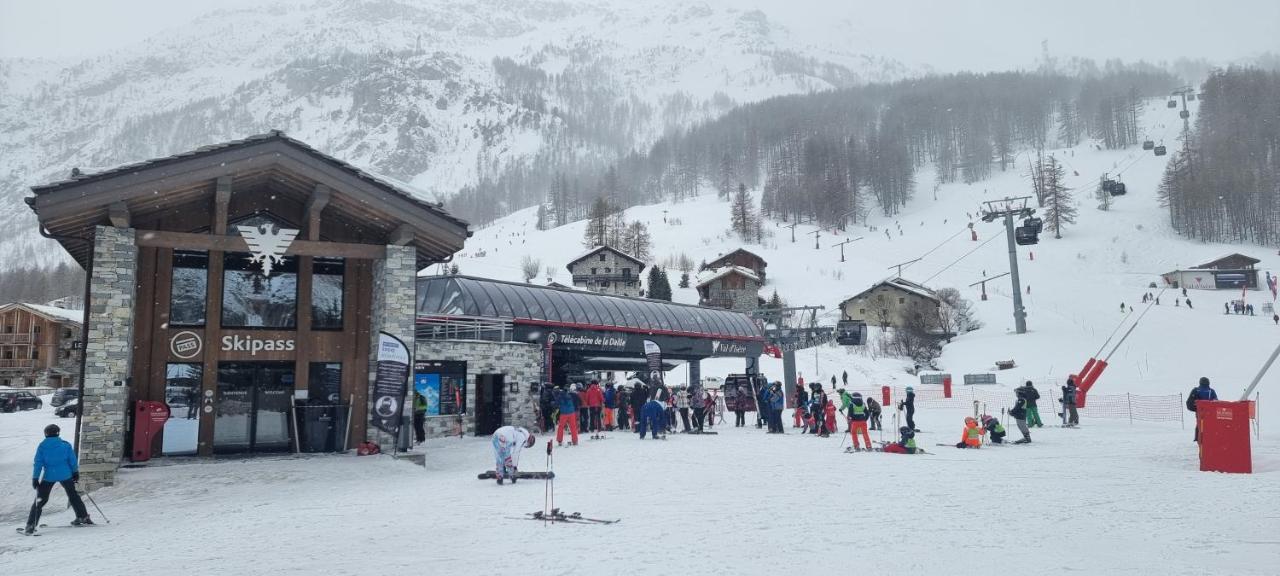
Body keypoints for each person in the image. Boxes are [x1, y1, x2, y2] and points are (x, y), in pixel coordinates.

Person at [25, 424, 92, 533]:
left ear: (46, 433)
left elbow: (38, 463)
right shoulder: (65, 445)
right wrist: (75, 472)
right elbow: (72, 460)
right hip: (66, 474)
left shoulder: (42, 446)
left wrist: (35, 478)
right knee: (73, 495)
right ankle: (83, 517)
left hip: (49, 476)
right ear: (58, 433)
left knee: (40, 499)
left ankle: (31, 525)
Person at [1187, 376, 1218, 442]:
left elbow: (1189, 403)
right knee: (1209, 426)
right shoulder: (1211, 391)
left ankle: (1198, 438)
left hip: (1200, 413)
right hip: (1210, 413)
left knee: (1199, 425)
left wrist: (1196, 409)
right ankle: (1209, 438)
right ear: (1208, 383)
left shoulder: (1196, 390)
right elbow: (1216, 402)